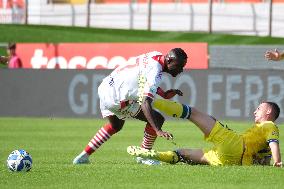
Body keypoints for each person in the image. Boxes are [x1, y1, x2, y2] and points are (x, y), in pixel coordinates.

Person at [73, 48, 188, 165]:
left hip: (106, 87)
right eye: (179, 66)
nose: (181, 70)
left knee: (116, 125)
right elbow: (144, 101)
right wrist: (157, 130)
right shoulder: (155, 71)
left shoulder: (155, 55)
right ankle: (144, 155)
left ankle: (83, 156)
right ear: (169, 61)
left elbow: (143, 78)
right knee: (157, 119)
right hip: (117, 98)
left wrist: (163, 94)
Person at [127, 99, 282, 167]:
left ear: (268, 111)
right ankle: (149, 154)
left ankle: (151, 100)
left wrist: (277, 161)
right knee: (183, 154)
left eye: (259, 108)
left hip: (235, 145)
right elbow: (263, 158)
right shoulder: (263, 131)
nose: (255, 111)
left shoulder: (269, 125)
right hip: (230, 161)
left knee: (193, 113)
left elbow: (274, 143)